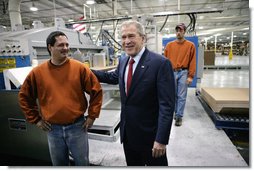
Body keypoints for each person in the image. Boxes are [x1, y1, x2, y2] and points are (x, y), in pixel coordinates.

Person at [92, 20, 175, 166]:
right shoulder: (124, 60)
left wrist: (161, 139)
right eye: (123, 37)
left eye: (131, 36)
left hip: (150, 137)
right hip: (128, 134)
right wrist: (85, 70)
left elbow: (166, 106)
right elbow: (113, 77)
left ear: (143, 38)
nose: (127, 41)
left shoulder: (160, 63)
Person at [18, 31, 103, 166]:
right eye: (60, 45)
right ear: (50, 47)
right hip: (53, 130)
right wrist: (36, 120)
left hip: (77, 127)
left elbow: (96, 91)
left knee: (82, 163)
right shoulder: (38, 73)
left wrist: (92, 116)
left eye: (67, 44)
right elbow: (24, 96)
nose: (65, 48)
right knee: (59, 164)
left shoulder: (80, 68)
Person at [164, 23, 196, 126]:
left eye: (180, 30)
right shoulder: (169, 46)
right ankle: (175, 112)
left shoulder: (190, 45)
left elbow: (192, 61)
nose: (178, 32)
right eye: (177, 30)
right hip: (171, 72)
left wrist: (191, 76)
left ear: (184, 32)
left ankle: (179, 116)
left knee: (181, 96)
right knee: (172, 95)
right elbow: (165, 61)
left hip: (183, 72)